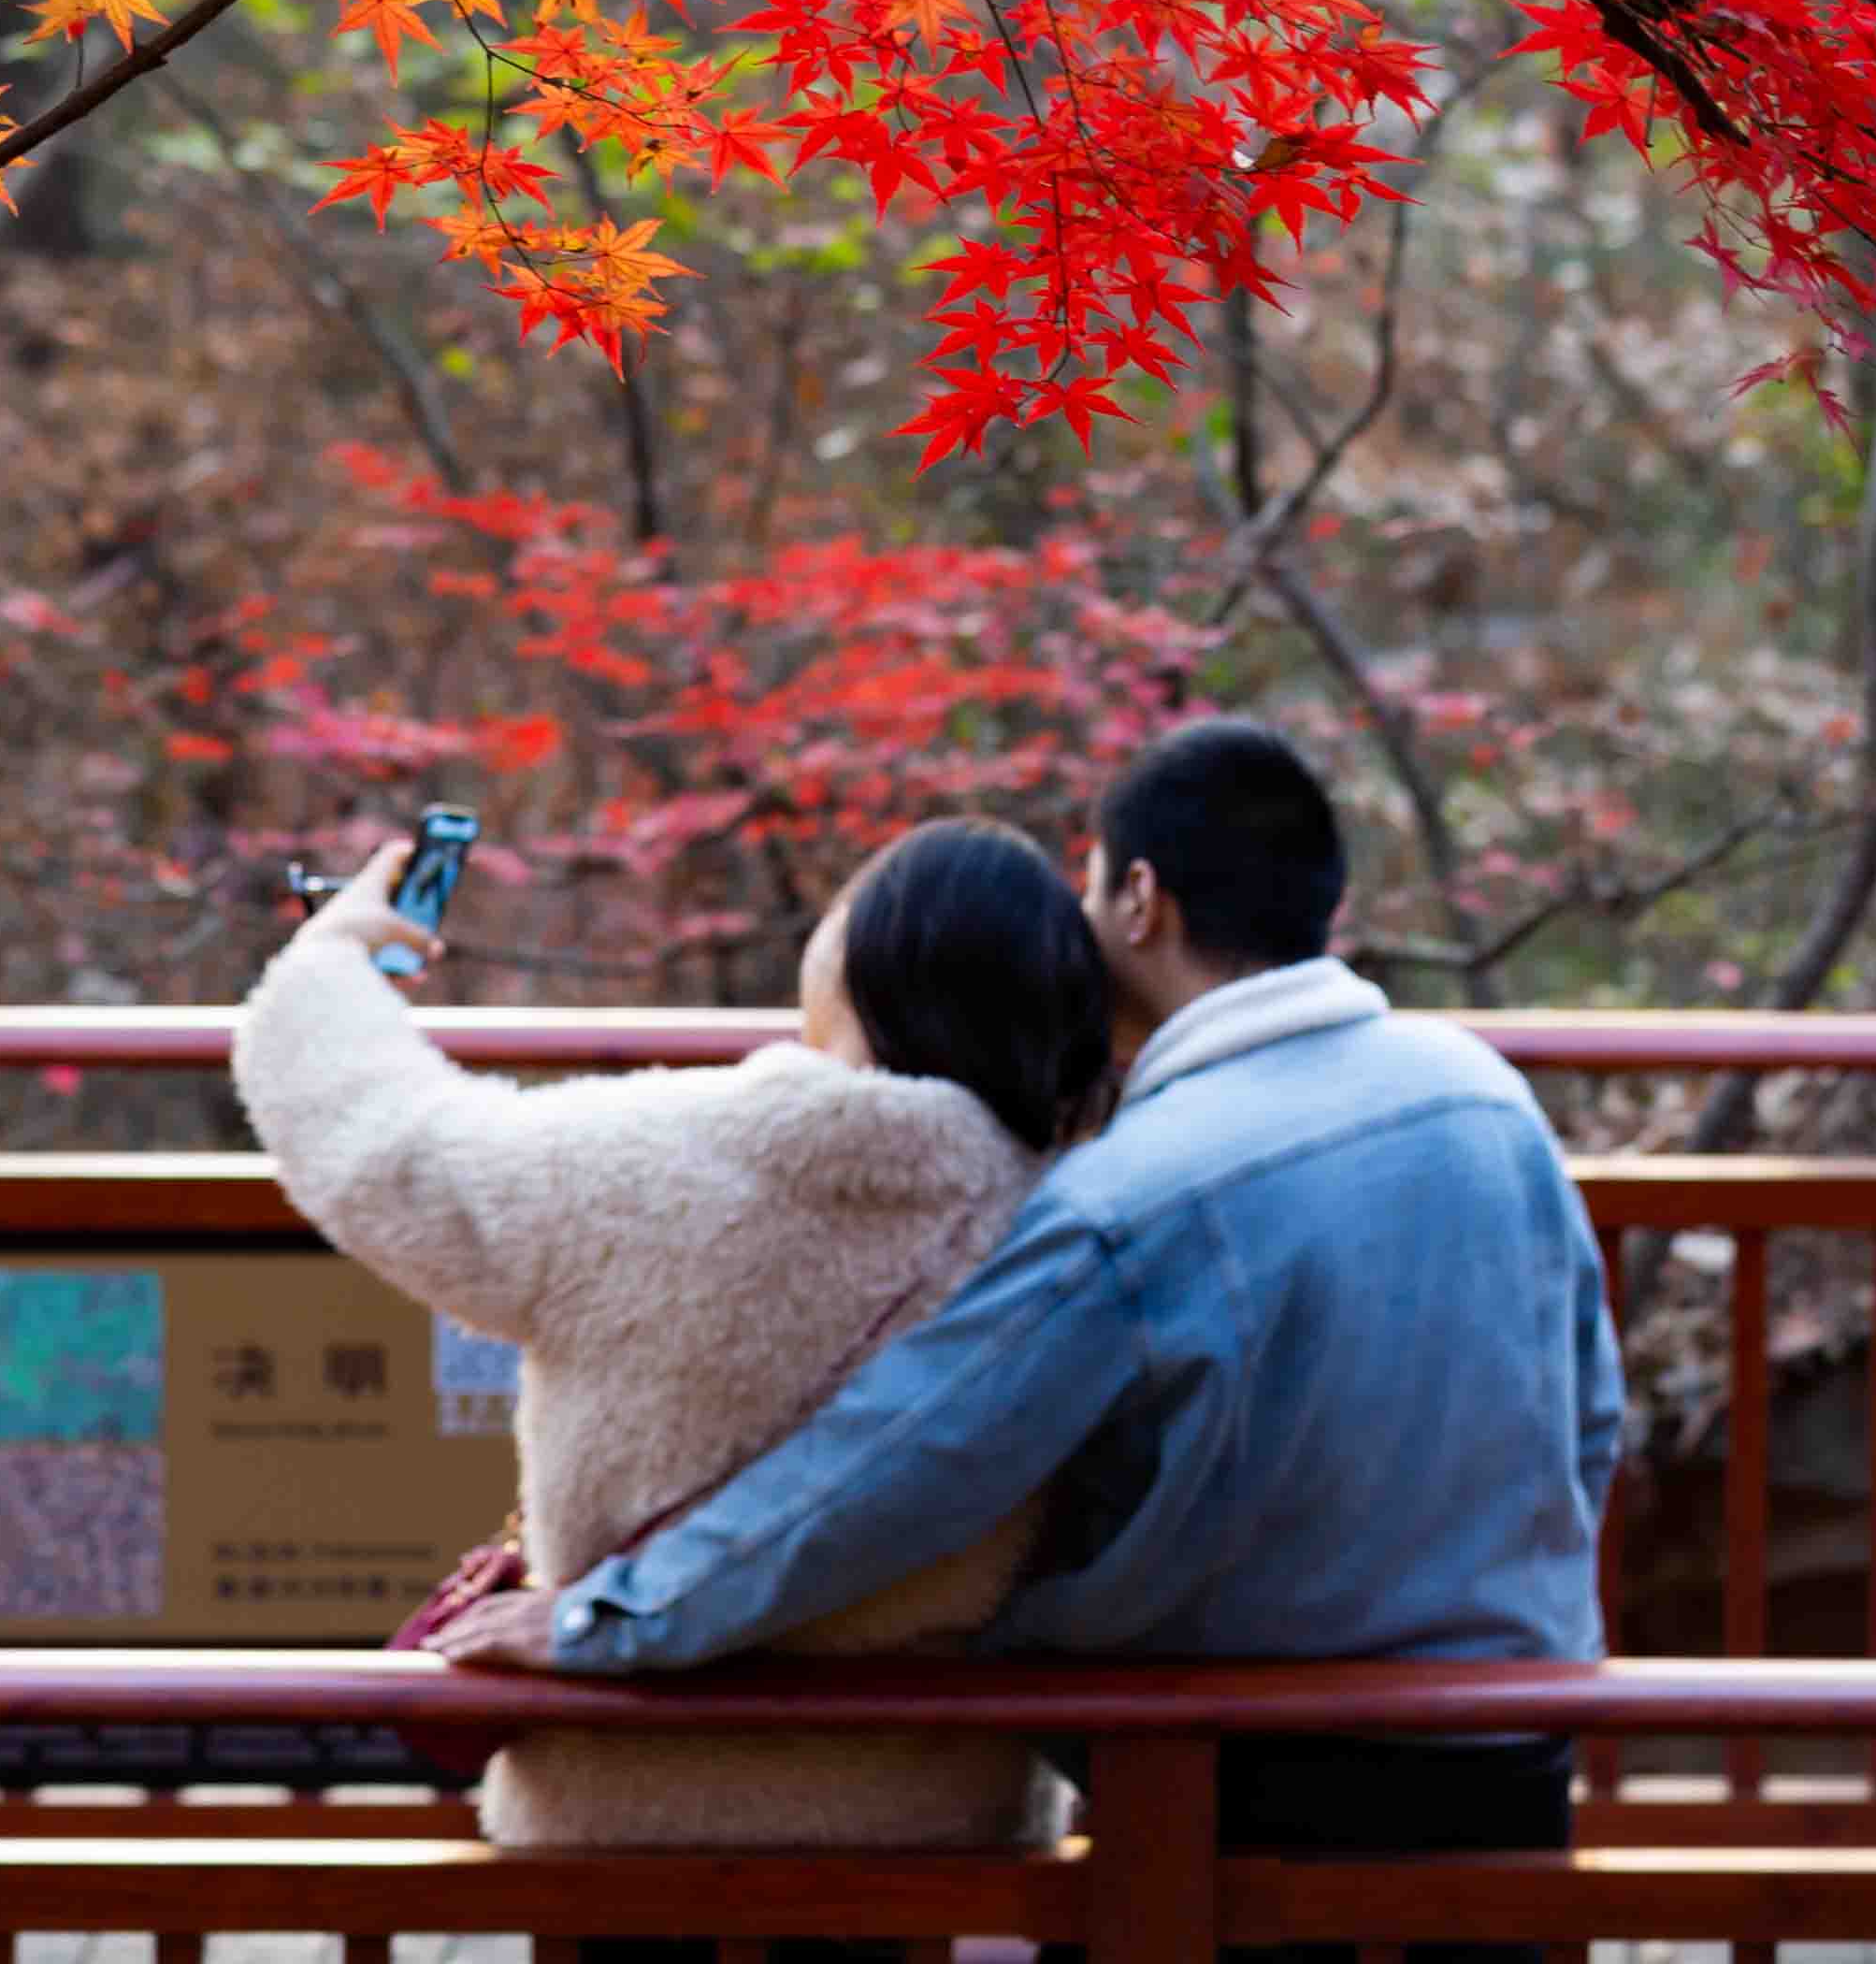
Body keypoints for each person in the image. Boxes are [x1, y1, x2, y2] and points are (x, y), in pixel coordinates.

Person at [430, 718, 1621, 1964]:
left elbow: (900, 1466)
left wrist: (609, 1616)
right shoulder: (1483, 1097)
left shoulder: (1141, 1193)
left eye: (1091, 887)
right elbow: (1587, 1418)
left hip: (1251, 1789)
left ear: (1141, 899)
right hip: (1508, 1758)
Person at [235, 813, 1116, 1855]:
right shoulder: (1071, 1215)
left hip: (621, 1798)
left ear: (856, 961)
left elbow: (387, 1156)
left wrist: (329, 963)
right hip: (932, 1812)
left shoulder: (654, 1161)